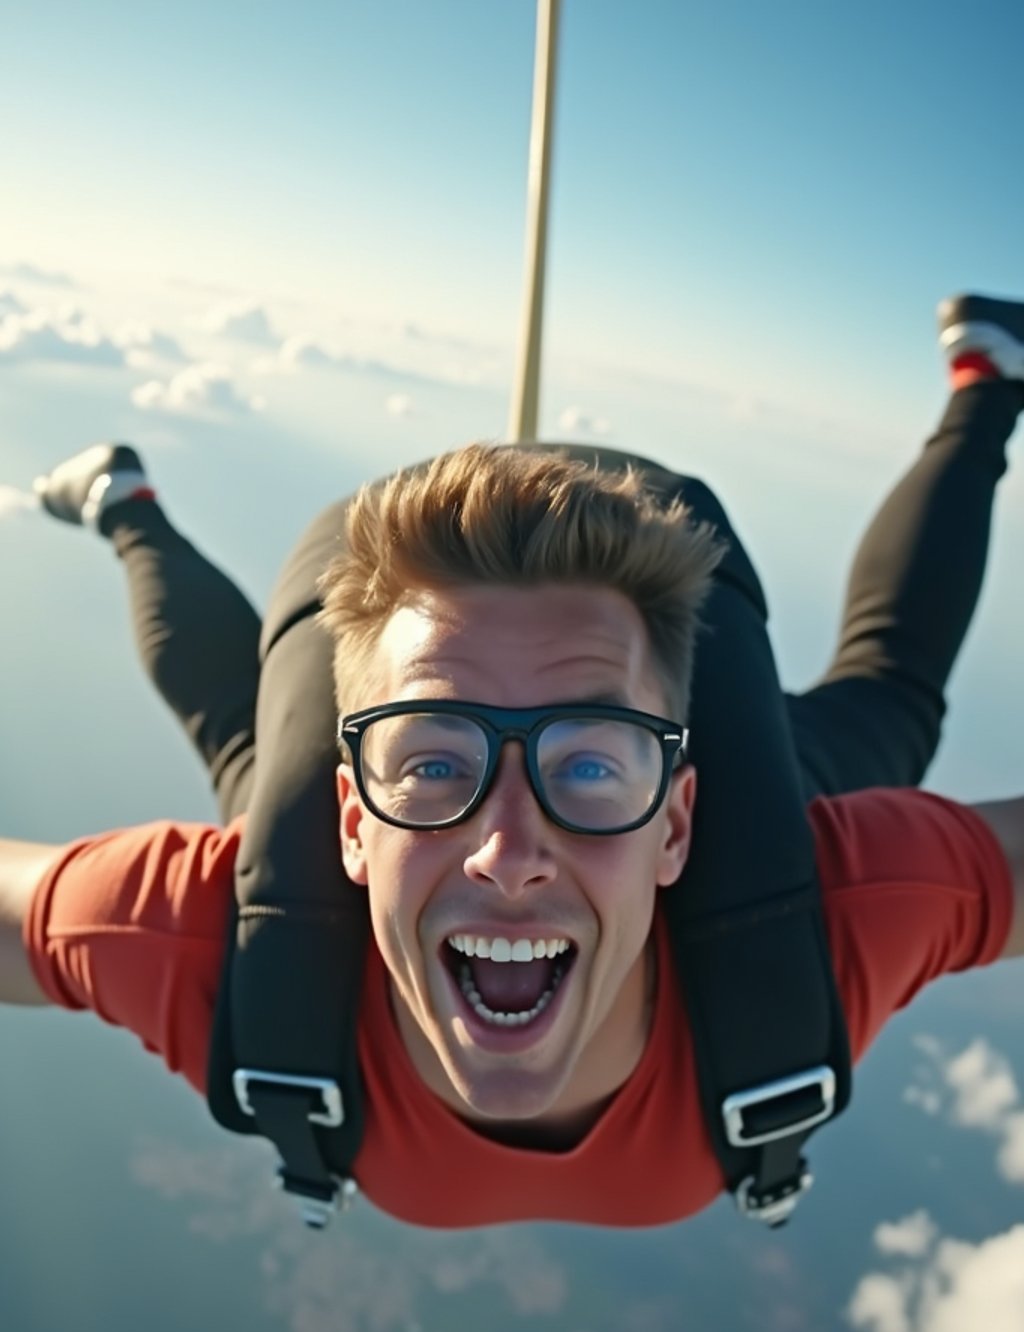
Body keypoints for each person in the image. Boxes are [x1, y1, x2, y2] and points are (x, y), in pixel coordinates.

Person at [2, 293, 1022, 1231]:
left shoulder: (849, 904)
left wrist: (450, 764)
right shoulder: (217, 942)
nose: (507, 851)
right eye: (436, 767)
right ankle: (128, 506)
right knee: (250, 748)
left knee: (240, 737)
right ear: (353, 822)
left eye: (589, 766)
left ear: (675, 822)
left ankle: (986, 384)